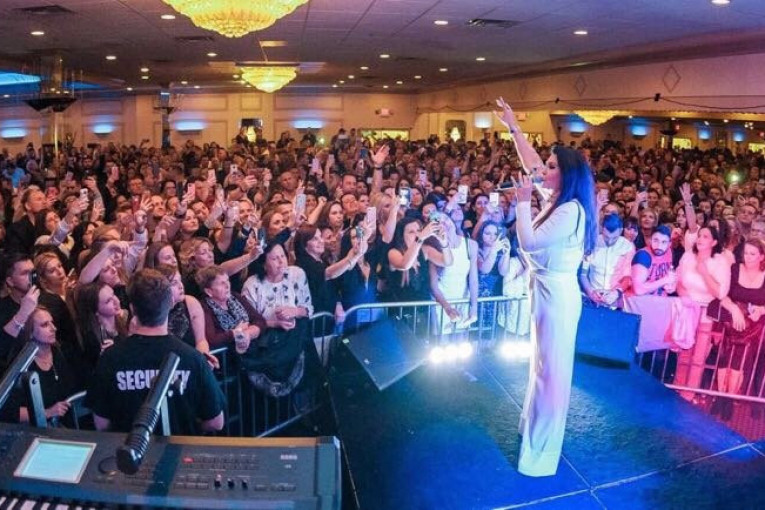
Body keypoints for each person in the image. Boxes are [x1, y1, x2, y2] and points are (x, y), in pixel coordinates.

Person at [496, 97, 597, 477]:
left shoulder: (570, 210)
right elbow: (532, 164)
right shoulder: (558, 202)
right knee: (540, 368)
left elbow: (529, 243)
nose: (543, 170)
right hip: (545, 293)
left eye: (552, 167)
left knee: (551, 376)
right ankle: (532, 434)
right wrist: (513, 128)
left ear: (565, 174)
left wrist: (522, 203)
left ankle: (542, 454)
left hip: (558, 299)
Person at [85, 269, 225, 434]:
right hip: (181, 446)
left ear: (132, 309)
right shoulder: (193, 358)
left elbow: (102, 424)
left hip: (131, 447)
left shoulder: (110, 358)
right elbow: (216, 422)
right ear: (170, 303)